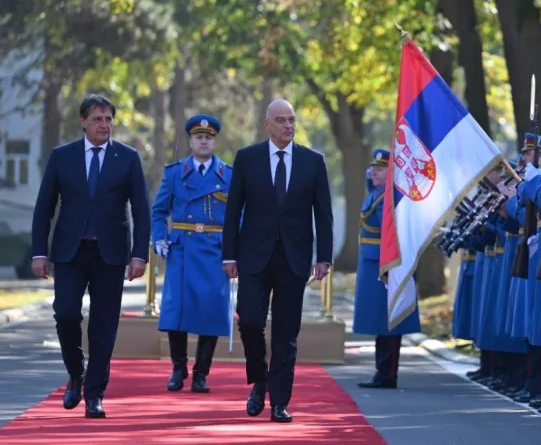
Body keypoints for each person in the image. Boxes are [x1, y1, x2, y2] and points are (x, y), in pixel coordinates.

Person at [30, 94, 150, 419]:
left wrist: (140, 254)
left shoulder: (127, 158)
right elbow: (44, 207)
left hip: (110, 254)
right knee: (66, 315)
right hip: (70, 251)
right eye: (98, 119)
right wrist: (39, 251)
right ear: (83, 121)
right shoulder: (62, 157)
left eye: (109, 119)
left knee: (104, 324)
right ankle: (75, 373)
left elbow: (141, 208)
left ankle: (95, 393)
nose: (104, 124)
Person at [222, 98, 333, 423]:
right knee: (251, 321)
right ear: (267, 124)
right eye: (281, 120)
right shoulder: (248, 158)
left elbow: (323, 213)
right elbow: (233, 212)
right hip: (253, 257)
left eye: (292, 120)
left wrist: (323, 257)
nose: (288, 126)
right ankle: (260, 380)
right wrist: (229, 254)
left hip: (294, 259)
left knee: (286, 333)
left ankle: (280, 401)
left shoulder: (313, 161)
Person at [151, 114, 232, 393]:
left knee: (210, 310)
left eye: (209, 137)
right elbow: (159, 211)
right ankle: (178, 368)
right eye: (199, 137)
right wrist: (159, 239)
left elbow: (238, 217)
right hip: (182, 249)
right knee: (177, 311)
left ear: (214, 141)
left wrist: (235, 252)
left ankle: (201, 374)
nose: (204, 141)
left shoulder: (228, 175)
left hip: (214, 250)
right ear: (191, 141)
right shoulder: (174, 173)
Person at [353, 148, 421, 389]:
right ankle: (381, 371)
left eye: (380, 169)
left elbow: (392, 233)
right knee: (379, 320)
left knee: (388, 320)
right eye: (372, 168)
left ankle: (387, 373)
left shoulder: (388, 198)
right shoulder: (377, 194)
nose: (373, 172)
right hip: (373, 262)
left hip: (384, 265)